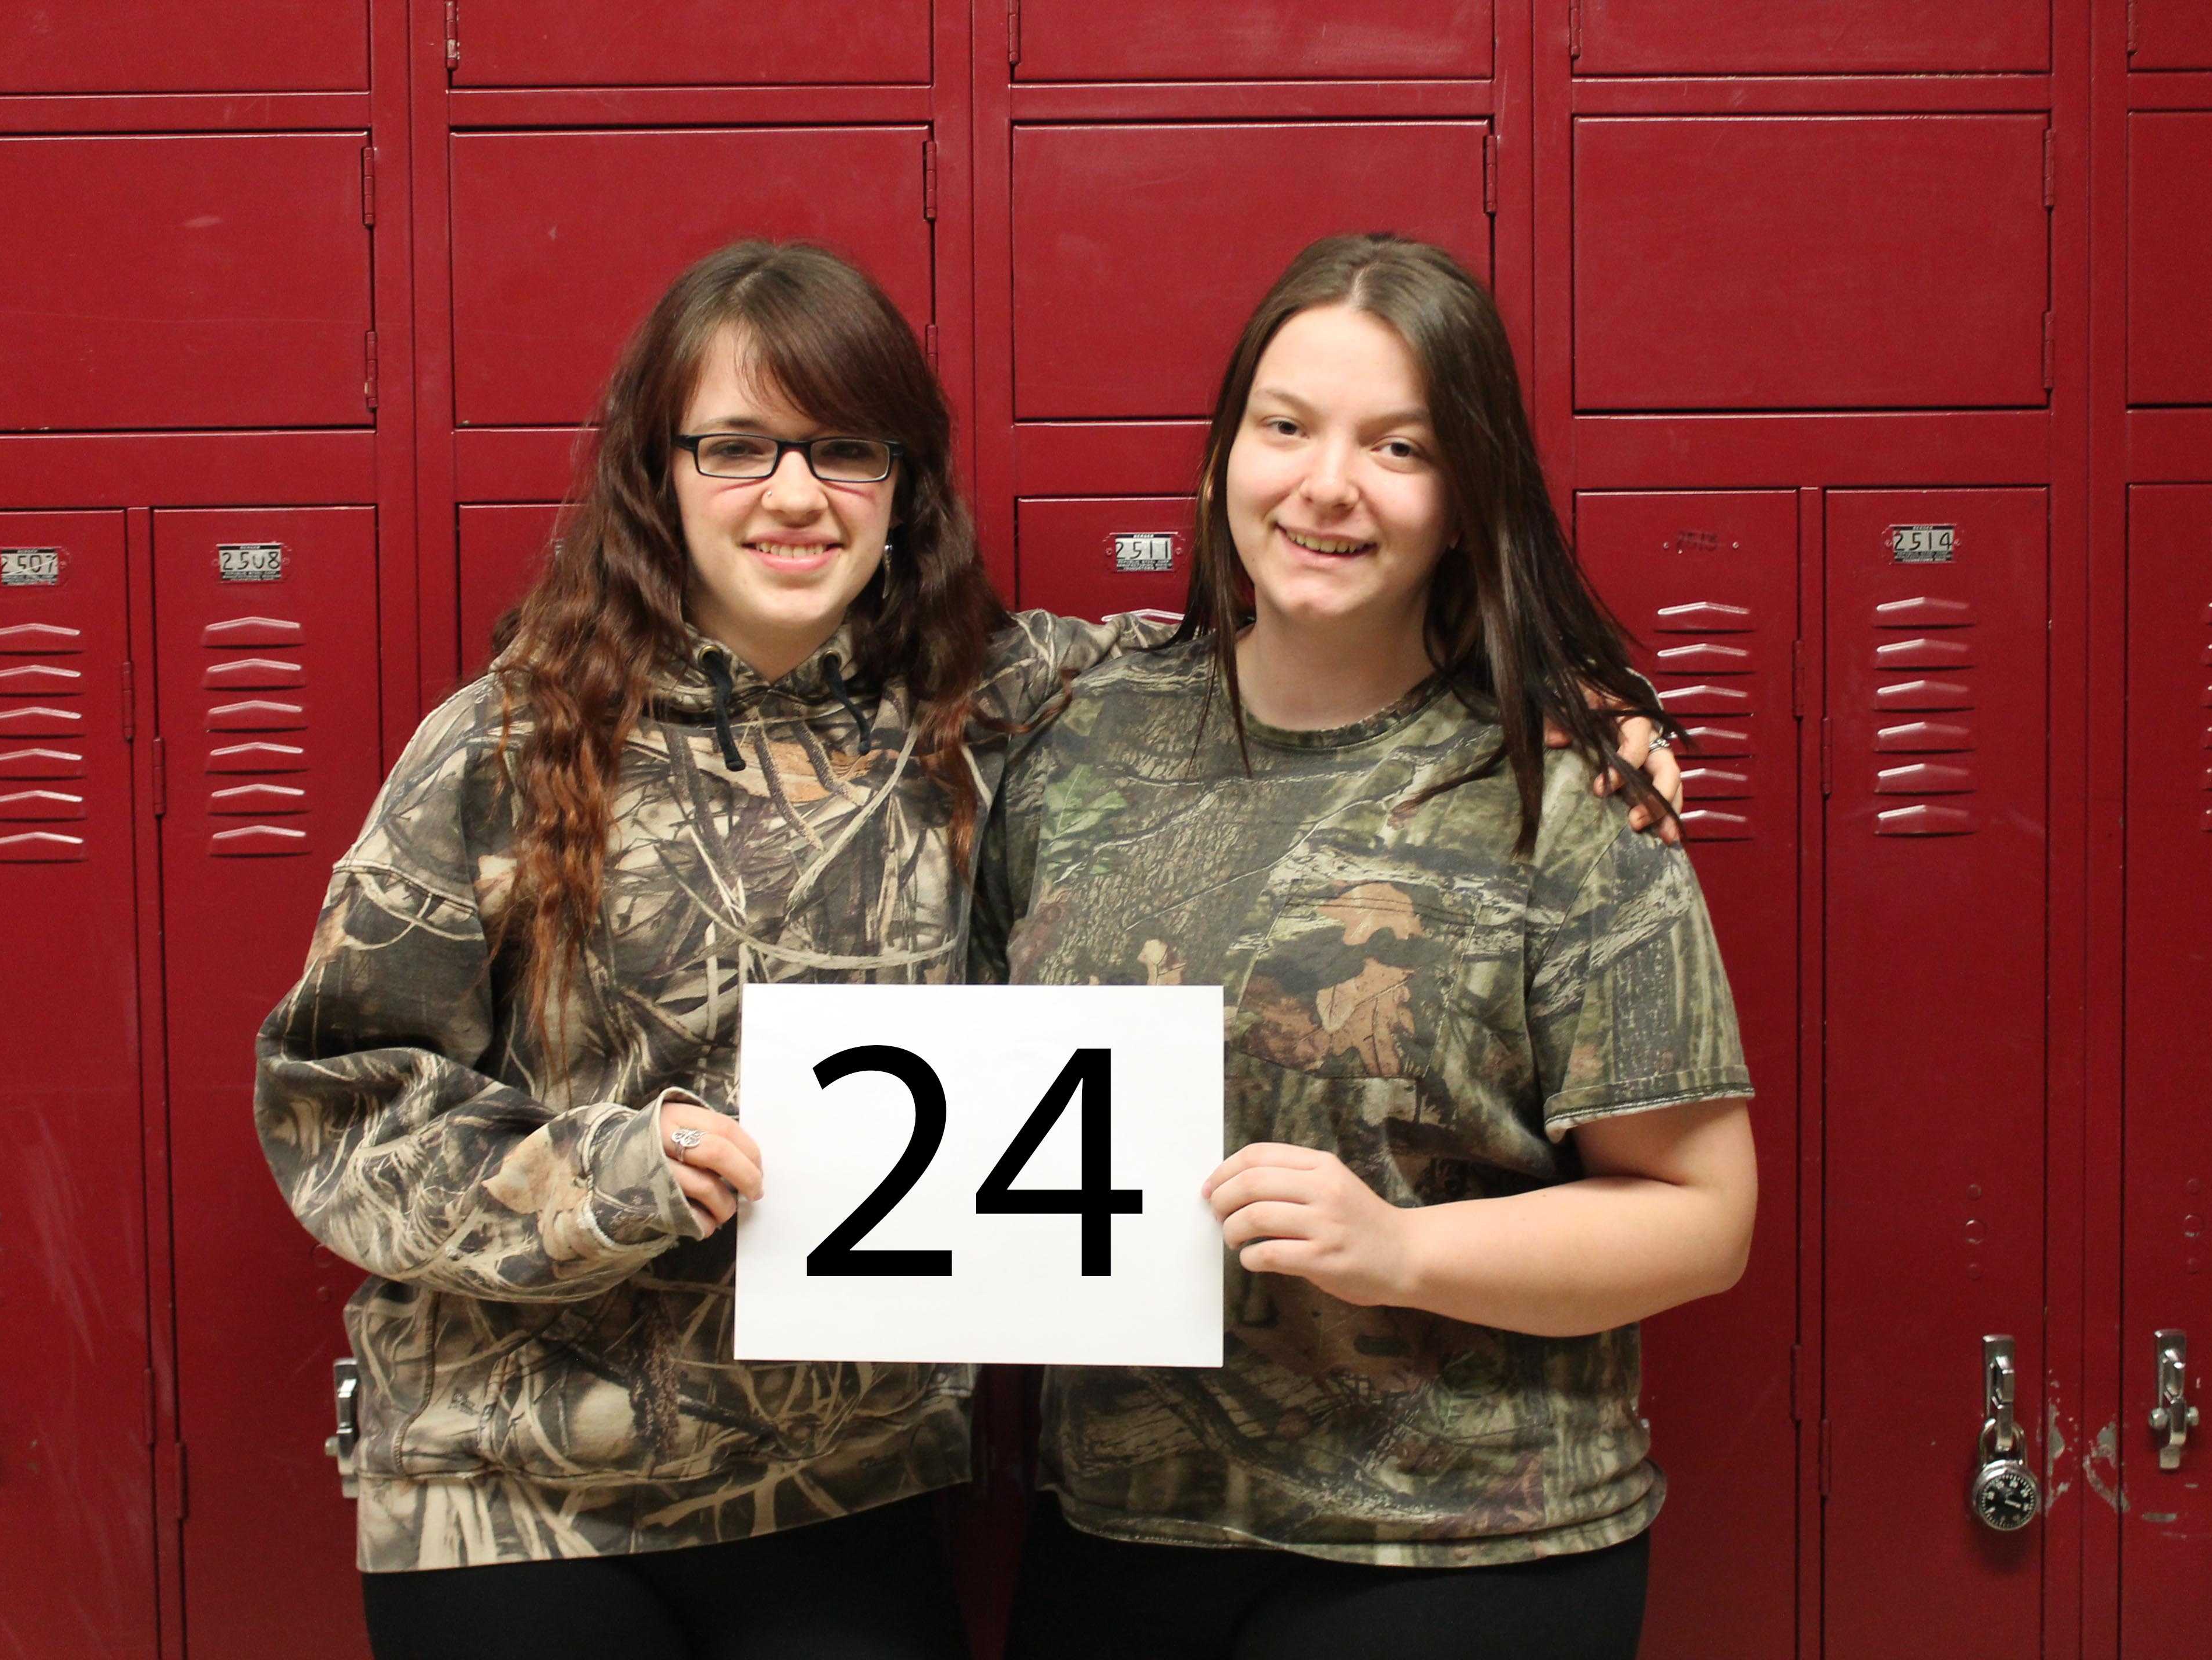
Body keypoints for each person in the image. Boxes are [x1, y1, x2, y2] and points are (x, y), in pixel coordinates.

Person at [255, 239, 1685, 1660]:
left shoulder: (1004, 707)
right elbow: (336, 1107)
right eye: (738, 448)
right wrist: (608, 1176)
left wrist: (1559, 695)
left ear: (903, 483)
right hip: (512, 1497)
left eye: (846, 449)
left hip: (839, 1488)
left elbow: (1269, 649)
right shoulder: (504, 743)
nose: (797, 494)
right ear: (660, 471)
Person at [980, 234, 1757, 1660]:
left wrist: (1398, 1247)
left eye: (1397, 446)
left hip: (1459, 1547)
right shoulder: (1077, 732)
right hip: (1122, 1527)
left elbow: (1701, 1215)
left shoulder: (1566, 783)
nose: (1326, 484)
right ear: (1226, 458)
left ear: (1466, 500)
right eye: (1284, 428)